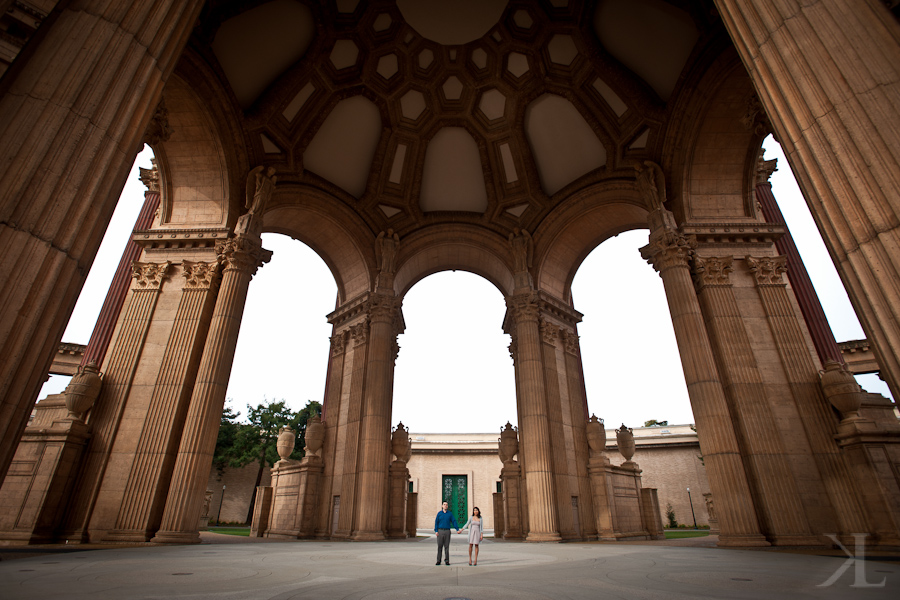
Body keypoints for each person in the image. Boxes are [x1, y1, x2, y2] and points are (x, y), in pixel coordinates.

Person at [434, 501, 460, 565]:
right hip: (440, 531)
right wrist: (436, 531)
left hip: (447, 531)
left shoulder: (450, 514)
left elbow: (453, 521)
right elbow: (436, 522)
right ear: (442, 506)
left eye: (446, 505)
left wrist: (457, 529)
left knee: (446, 546)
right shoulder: (439, 513)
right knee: (440, 546)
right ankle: (438, 560)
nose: (445, 506)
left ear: (447, 506)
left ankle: (447, 560)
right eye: (444, 504)